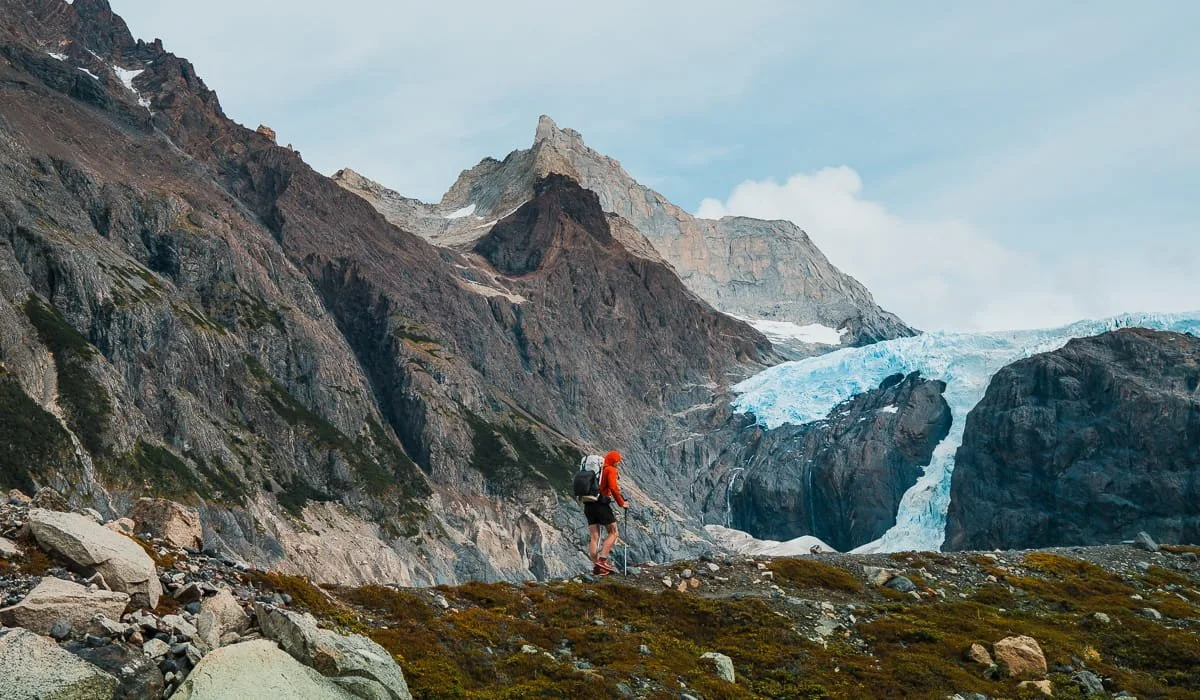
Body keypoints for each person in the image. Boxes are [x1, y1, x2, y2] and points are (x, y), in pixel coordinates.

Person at [584, 450, 628, 575]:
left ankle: (596, 567)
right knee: (613, 532)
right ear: (614, 461)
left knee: (594, 537)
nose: (618, 463)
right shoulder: (610, 470)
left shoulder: (597, 470)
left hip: (588, 504)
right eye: (618, 461)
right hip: (601, 505)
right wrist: (622, 503)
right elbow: (613, 488)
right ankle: (602, 561)